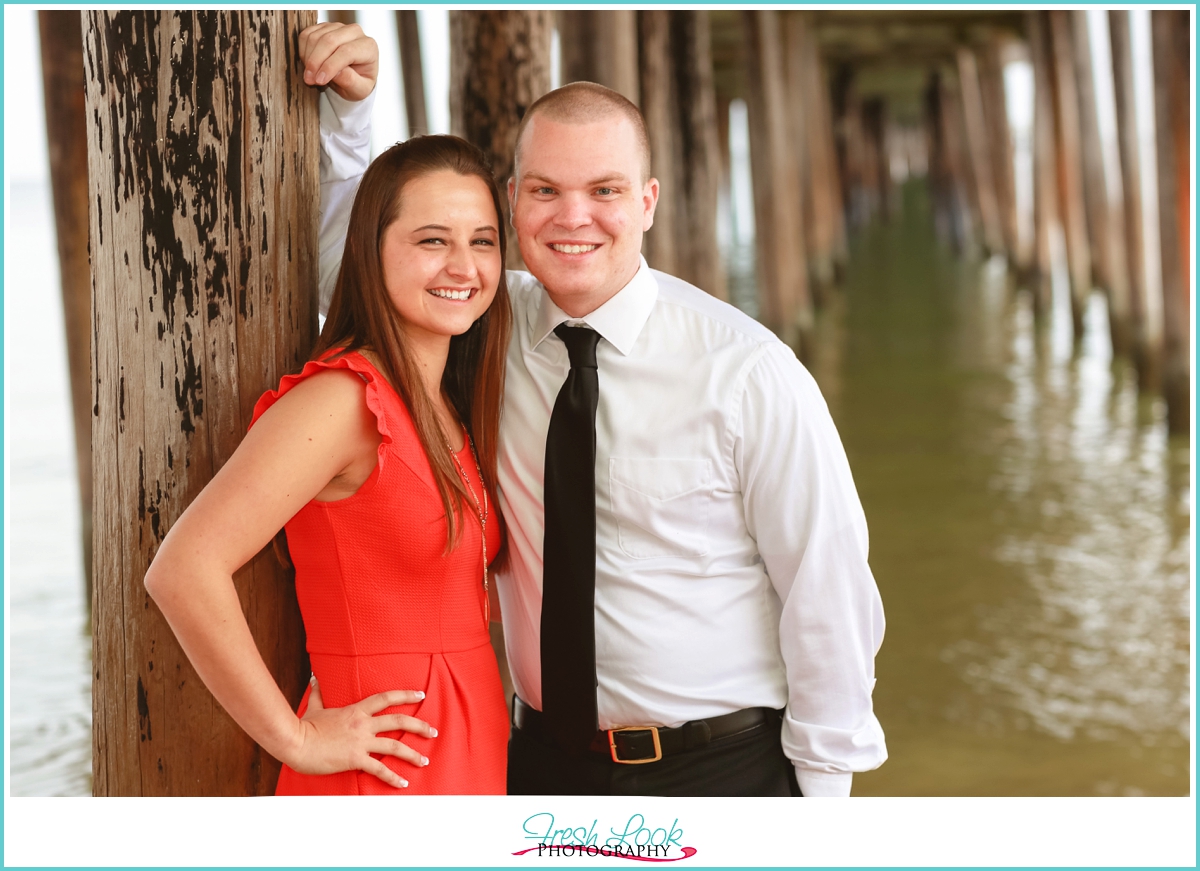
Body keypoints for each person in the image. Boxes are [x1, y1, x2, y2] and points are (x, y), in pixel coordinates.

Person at [315, 28, 886, 798]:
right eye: (546, 190)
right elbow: (360, 272)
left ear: (646, 201)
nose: (572, 217)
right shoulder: (485, 327)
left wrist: (822, 808)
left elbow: (829, 593)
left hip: (722, 773)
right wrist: (351, 120)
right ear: (514, 201)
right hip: (538, 768)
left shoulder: (748, 371)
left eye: (605, 191)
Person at [145, 42, 514, 791]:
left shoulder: (447, 402)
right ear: (369, 251)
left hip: (468, 758)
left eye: (483, 242)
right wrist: (297, 736)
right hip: (378, 774)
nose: (464, 267)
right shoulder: (345, 400)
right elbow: (182, 569)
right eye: (431, 240)